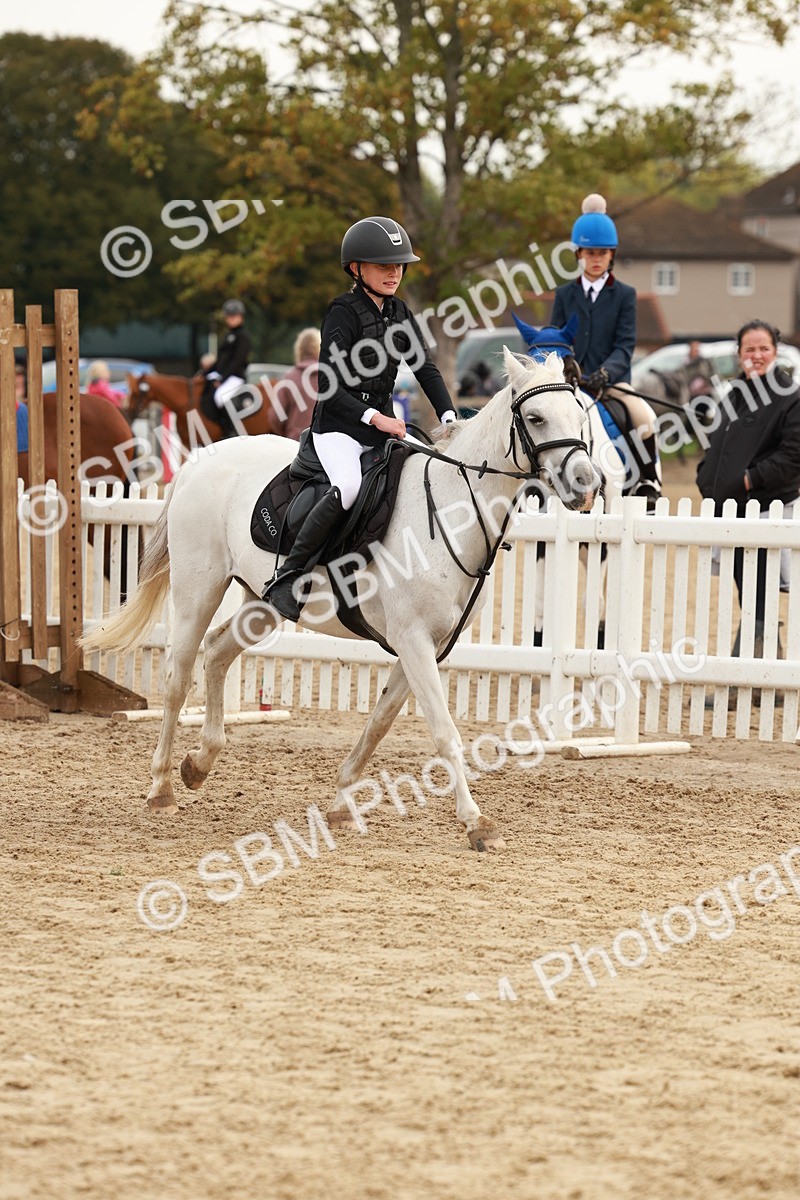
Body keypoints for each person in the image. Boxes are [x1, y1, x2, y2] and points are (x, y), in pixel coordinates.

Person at [262, 215, 457, 621]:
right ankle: (289, 577)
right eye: (384, 265)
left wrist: (450, 416)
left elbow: (425, 368)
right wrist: (375, 418)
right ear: (356, 268)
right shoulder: (342, 312)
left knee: (431, 471)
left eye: (399, 265)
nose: (394, 272)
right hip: (338, 428)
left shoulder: (400, 312)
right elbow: (329, 386)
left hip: (382, 426)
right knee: (348, 486)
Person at [697, 319, 800, 653]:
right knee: (750, 590)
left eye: (763, 349)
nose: (756, 355)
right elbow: (717, 444)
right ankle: (769, 658)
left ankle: (748, 667)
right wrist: (705, 473)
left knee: (760, 589)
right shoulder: (734, 395)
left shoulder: (792, 397)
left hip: (768, 507)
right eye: (749, 349)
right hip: (732, 507)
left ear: (775, 352)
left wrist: (748, 479)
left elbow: (792, 455)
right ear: (739, 354)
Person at [551, 193, 661, 503]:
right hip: (571, 380)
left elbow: (625, 344)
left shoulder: (625, 295)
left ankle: (648, 481)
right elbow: (556, 338)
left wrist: (604, 372)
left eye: (602, 253)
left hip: (611, 382)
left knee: (643, 416)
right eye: (590, 252)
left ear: (611, 255)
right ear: (579, 254)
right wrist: (567, 361)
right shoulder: (564, 295)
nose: (596, 258)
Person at [202, 299, 252, 436]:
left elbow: (237, 360)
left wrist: (222, 378)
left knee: (221, 397)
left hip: (236, 377)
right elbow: (220, 359)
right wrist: (205, 372)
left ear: (241, 317)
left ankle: (232, 430)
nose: (231, 319)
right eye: (229, 316)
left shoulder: (243, 336)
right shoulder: (227, 335)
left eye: (234, 316)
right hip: (224, 375)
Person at [276, 328, 320, 441]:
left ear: (299, 349)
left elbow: (275, 417)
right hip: (325, 445)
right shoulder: (332, 377)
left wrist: (286, 435)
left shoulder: (289, 378)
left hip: (295, 442)